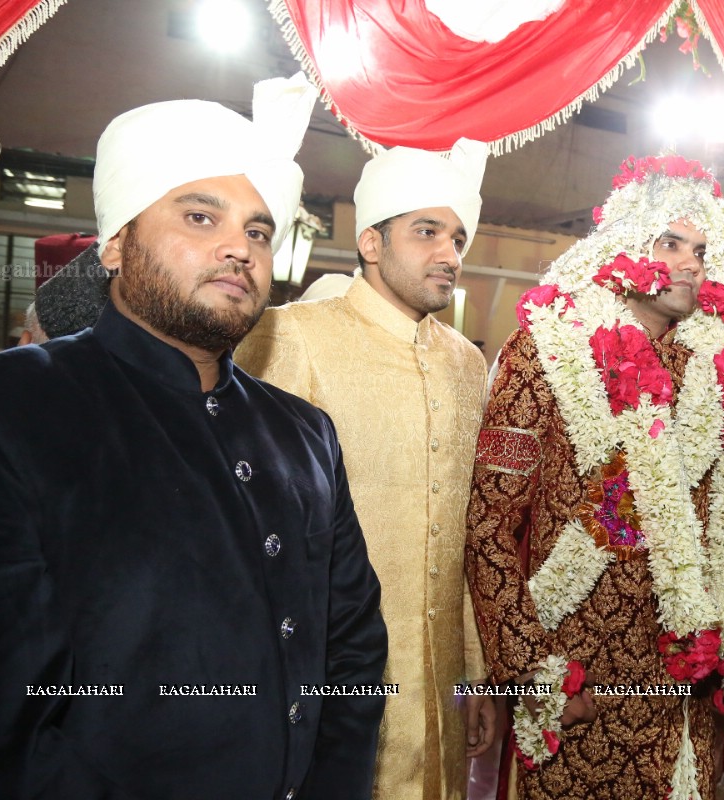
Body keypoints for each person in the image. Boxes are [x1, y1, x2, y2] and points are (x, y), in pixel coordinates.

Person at [0, 74, 388, 798]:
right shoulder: (4, 408)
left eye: (258, 231)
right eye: (200, 218)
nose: (240, 249)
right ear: (116, 244)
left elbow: (352, 648)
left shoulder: (304, 432)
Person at [465, 155, 724, 799]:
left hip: (683, 684)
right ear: (623, 243)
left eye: (701, 248)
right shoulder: (548, 349)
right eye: (670, 241)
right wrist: (536, 672)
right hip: (579, 677)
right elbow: (489, 526)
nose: (690, 262)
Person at [235, 138, 496, 800]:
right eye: (427, 232)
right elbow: (254, 526)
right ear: (372, 244)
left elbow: (469, 533)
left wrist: (475, 671)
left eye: (458, 237)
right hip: (329, 681)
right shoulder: (294, 335)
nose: (449, 254)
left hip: (439, 689)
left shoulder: (467, 363)